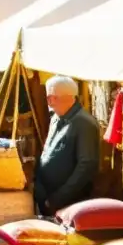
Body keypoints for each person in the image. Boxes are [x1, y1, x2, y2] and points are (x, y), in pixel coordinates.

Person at [34, 75, 100, 216]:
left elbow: (86, 166)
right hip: (47, 197)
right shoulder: (56, 118)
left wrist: (58, 198)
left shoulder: (84, 123)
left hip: (68, 203)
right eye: (48, 97)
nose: (49, 102)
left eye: (53, 97)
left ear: (70, 97)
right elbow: (47, 152)